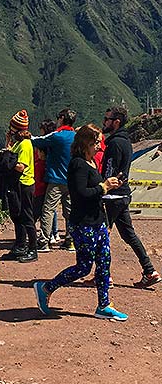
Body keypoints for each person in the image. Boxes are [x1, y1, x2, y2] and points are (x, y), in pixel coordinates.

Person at [35, 124, 129, 322]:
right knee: (84, 267)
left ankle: (104, 305)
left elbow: (94, 190)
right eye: (96, 142)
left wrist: (109, 186)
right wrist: (103, 187)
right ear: (85, 143)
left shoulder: (92, 163)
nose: (99, 146)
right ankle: (46, 288)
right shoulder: (77, 164)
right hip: (83, 224)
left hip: (98, 220)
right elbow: (80, 194)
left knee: (104, 262)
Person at [100, 106, 161, 287]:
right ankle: (149, 270)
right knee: (129, 235)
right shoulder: (126, 141)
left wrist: (102, 189)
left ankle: (104, 275)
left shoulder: (114, 144)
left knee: (101, 235)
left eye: (107, 119)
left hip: (111, 197)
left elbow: (109, 171)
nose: (105, 122)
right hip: (124, 195)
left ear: (116, 122)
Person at [33, 109, 78, 252]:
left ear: (62, 118)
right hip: (71, 180)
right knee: (70, 211)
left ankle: (44, 241)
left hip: (55, 179)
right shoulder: (76, 137)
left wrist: (26, 136)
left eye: (59, 117)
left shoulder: (57, 136)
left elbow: (38, 141)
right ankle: (70, 241)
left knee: (48, 210)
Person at [3, 111, 38, 262]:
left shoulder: (24, 144)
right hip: (18, 185)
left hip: (24, 184)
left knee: (27, 217)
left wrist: (7, 162)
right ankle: (20, 245)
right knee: (17, 216)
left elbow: (20, 166)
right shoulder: (18, 143)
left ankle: (32, 249)